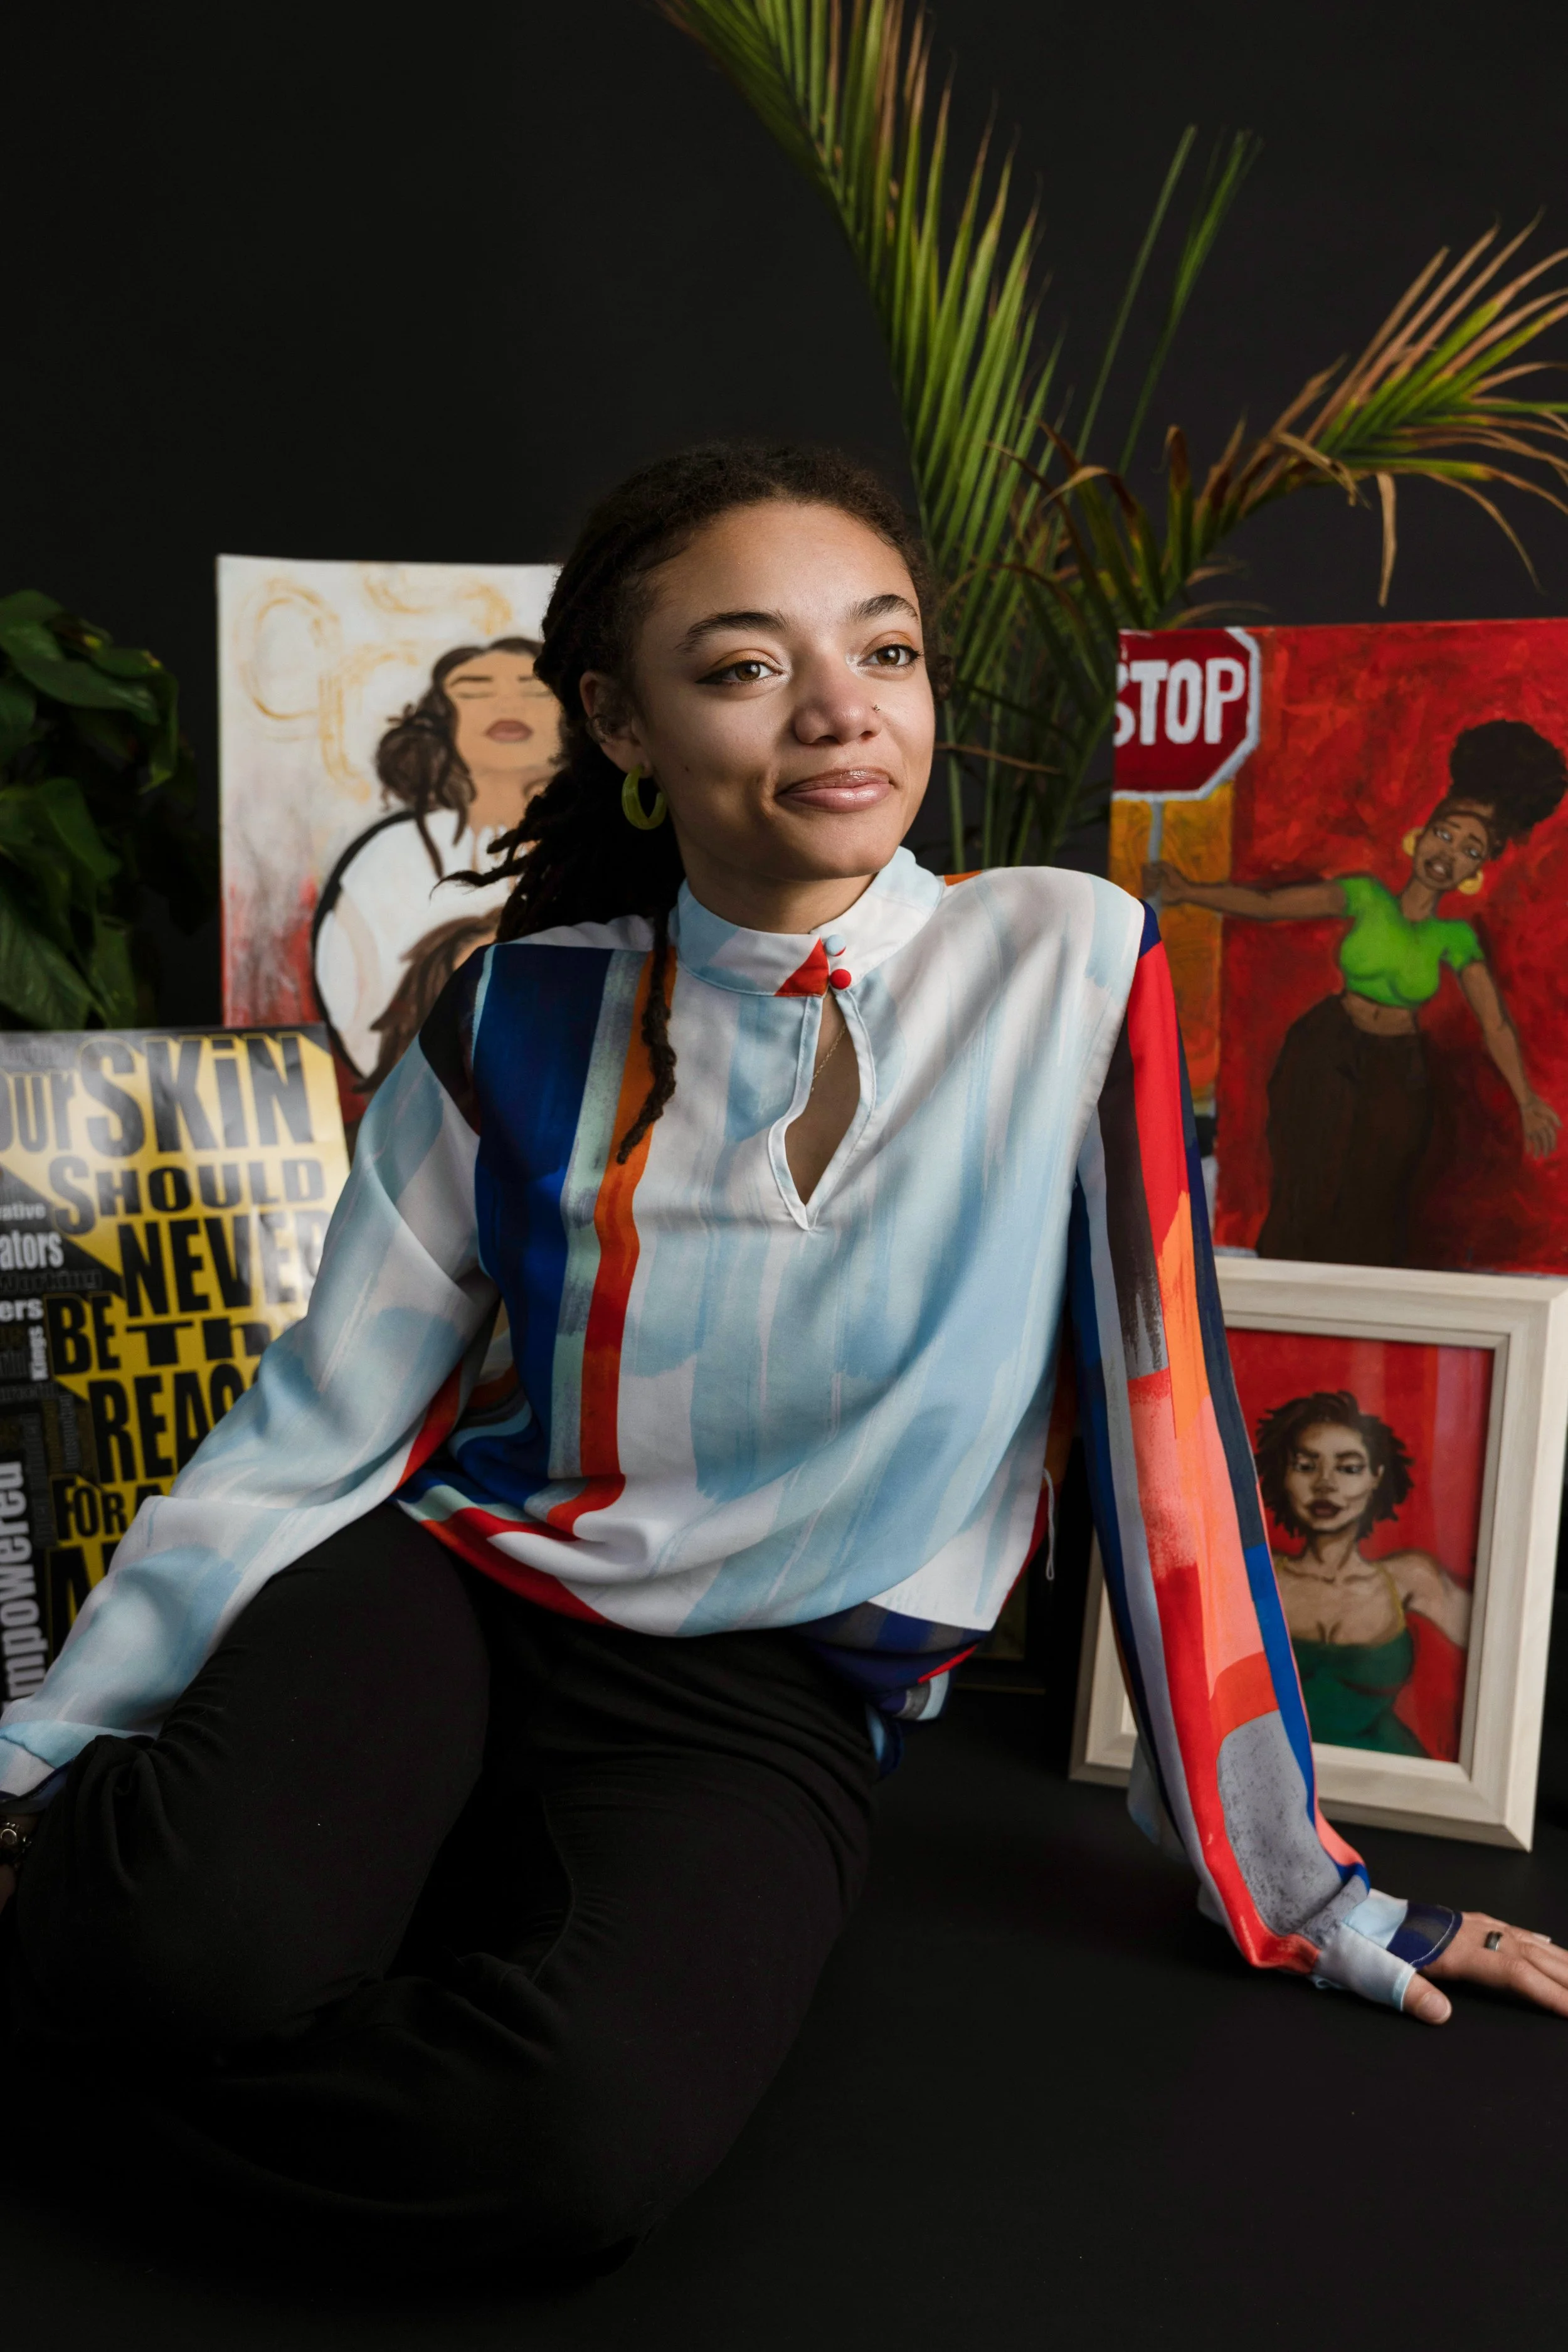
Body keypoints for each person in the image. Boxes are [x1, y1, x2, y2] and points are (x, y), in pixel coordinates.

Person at [2, 444, 1563, 2281]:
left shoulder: (1067, 964)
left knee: (566, 2141)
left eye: (883, 651)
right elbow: (315, 1425)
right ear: (622, 721)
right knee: (175, 1945)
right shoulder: (513, 1008)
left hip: (769, 1688)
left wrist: (1296, 1885)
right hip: (455, 1583)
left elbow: (1173, 1431)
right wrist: (46, 1745)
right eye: (746, 665)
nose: (840, 710)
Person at [1145, 721, 1567, 1263]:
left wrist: (1527, 1099)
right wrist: (1187, 891)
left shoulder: (1455, 938)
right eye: (1444, 834)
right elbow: (1270, 906)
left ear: (1474, 873)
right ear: (1419, 837)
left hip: (1398, 1068)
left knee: (1376, 1192)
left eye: (1470, 849)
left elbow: (1496, 1023)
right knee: (1307, 1178)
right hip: (1327, 1047)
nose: (1450, 852)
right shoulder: (1366, 896)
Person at [312, 637, 559, 1083]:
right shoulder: (388, 857)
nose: (507, 702)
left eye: (533, 687)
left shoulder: (609, 849)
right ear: (441, 720)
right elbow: (359, 1015)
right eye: (474, 689)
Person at [1253, 1390, 1470, 1757]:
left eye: (1349, 1468)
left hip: (1388, 1776)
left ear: (1376, 1477)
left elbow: (1508, 1643)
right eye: (1305, 1466)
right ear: (1284, 1475)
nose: (1325, 1484)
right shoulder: (1255, 1575)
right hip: (1272, 1771)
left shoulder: (1409, 1580)